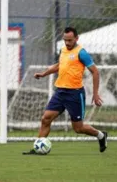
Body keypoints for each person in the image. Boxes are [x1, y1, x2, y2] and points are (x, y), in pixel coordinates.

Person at [23, 27, 107, 155]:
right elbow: (59, 65)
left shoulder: (81, 53)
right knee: (46, 119)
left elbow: (95, 72)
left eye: (70, 40)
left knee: (78, 128)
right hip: (60, 92)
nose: (67, 43)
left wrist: (95, 94)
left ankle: (100, 135)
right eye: (65, 40)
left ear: (76, 38)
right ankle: (37, 148)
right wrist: (44, 74)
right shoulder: (62, 50)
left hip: (75, 94)